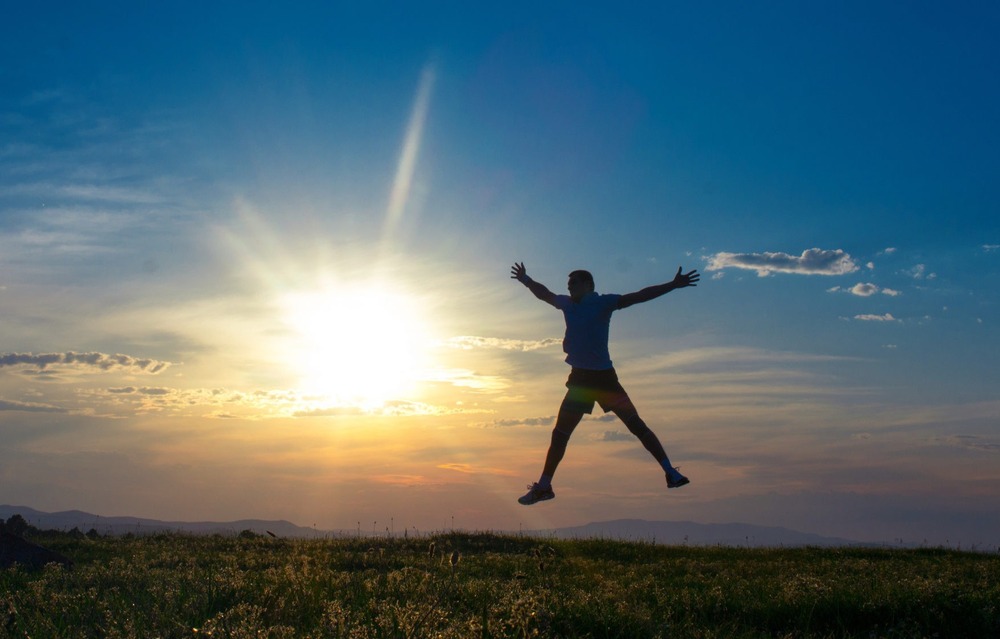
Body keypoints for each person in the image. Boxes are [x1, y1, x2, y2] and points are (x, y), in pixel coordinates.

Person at [510, 261, 700, 505]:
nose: (569, 288)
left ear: (588, 285)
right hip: (580, 380)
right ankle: (544, 486)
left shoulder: (603, 303)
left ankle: (670, 472)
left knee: (636, 425)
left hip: (604, 379)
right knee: (560, 435)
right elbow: (544, 293)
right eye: (568, 284)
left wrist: (673, 286)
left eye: (574, 283)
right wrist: (525, 279)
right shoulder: (567, 305)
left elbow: (639, 296)